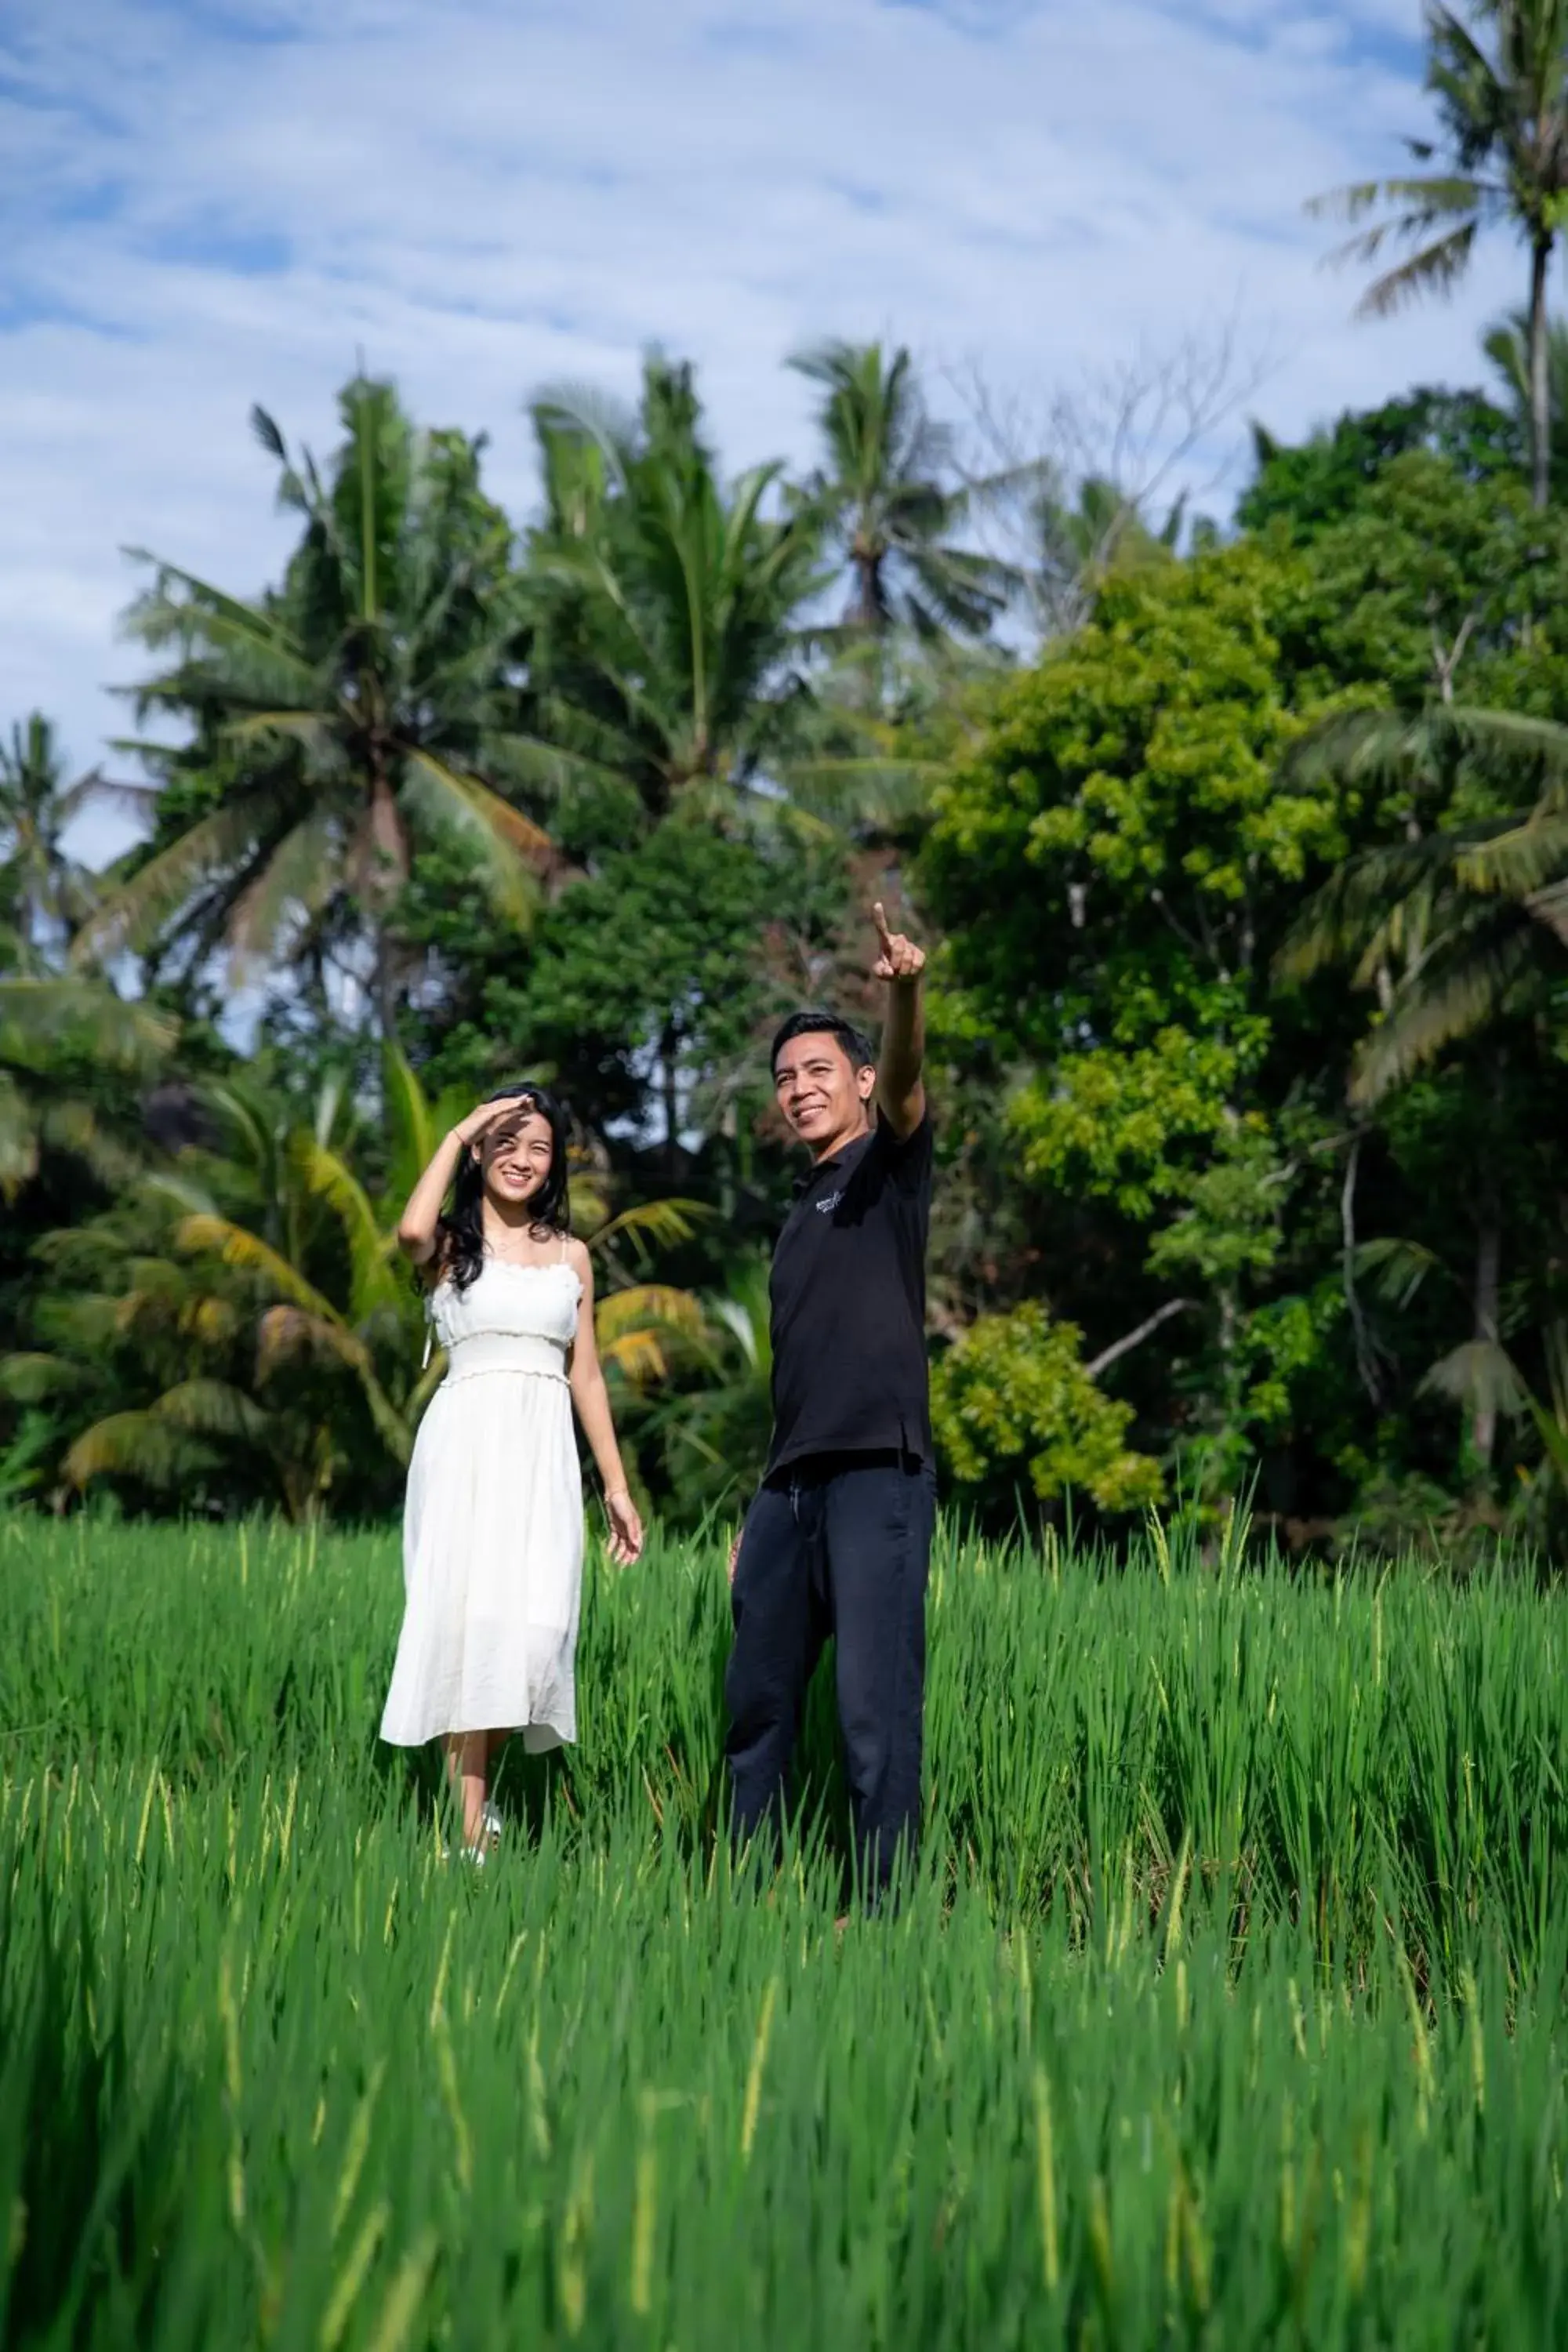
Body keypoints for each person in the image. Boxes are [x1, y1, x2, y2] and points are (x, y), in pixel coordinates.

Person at [724, 905, 935, 1903]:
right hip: (790, 1486)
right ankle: (743, 1898)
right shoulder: (794, 1220)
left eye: (817, 1072)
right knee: (755, 1704)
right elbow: (798, 1375)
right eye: (783, 1079)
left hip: (874, 1475)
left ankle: (883, 1915)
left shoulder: (886, 1170)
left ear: (853, 1081)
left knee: (870, 1710)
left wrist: (902, 996)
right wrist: (761, 1500)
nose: (798, 1089)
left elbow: (903, 1086)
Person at [381, 1081, 643, 1857]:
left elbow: (586, 1375)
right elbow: (407, 1229)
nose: (522, 1159)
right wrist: (463, 1128)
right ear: (480, 1152)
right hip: (465, 1447)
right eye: (506, 1143)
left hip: (544, 1456)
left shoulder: (572, 1257)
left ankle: (472, 1804)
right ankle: (470, 1827)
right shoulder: (452, 1250)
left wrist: (617, 1489)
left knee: (535, 1632)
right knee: (469, 1625)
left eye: (538, 1147)